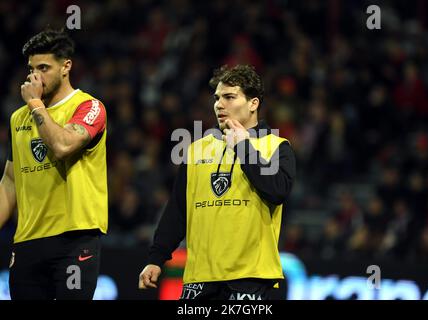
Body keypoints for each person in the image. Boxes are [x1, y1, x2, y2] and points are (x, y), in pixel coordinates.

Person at [139, 64, 296, 300]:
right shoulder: (195, 150)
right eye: (217, 98)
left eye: (229, 97)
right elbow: (178, 211)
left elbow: (277, 191)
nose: (219, 104)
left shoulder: (276, 147)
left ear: (253, 103)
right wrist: (156, 259)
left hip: (250, 277)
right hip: (200, 277)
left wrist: (243, 147)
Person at [0, 29, 108, 300]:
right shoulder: (18, 119)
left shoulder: (89, 107)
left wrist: (36, 104)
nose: (35, 77)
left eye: (44, 68)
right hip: (27, 241)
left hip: (74, 239)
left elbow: (62, 146)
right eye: (31, 69)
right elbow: (11, 181)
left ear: (66, 66)